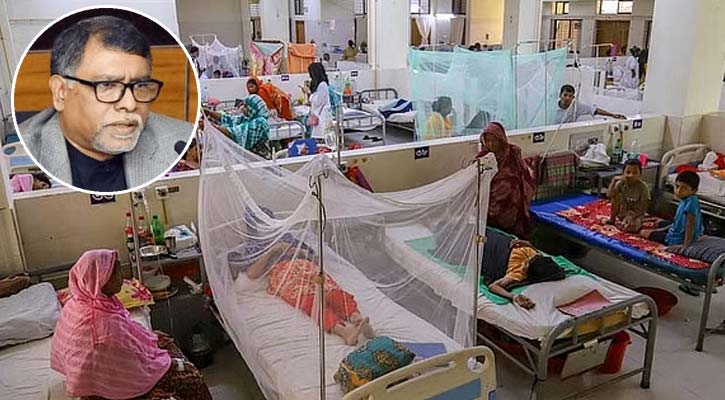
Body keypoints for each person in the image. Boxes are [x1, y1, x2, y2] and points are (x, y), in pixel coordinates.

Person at [18, 16, 193, 193]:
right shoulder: (23, 152)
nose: (130, 104)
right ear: (61, 92)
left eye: (140, 85)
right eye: (107, 85)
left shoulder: (180, 142)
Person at [51, 250, 212, 399]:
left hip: (92, 373)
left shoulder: (78, 303)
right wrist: (173, 364)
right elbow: (134, 365)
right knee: (192, 380)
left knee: (159, 338)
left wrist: (148, 339)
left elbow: (124, 334)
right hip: (106, 388)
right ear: (100, 279)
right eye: (116, 273)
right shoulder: (104, 325)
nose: (122, 277)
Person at [232, 236, 374, 346]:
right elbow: (252, 274)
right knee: (312, 303)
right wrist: (273, 250)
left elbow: (315, 258)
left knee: (335, 293)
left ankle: (356, 318)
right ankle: (344, 332)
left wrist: (297, 251)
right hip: (285, 274)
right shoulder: (253, 247)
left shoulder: (288, 237)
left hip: (307, 267)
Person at [478, 122, 536, 238]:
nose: (490, 144)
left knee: (512, 236)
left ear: (501, 139)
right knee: (495, 234)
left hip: (512, 202)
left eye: (494, 140)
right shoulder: (483, 157)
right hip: (492, 203)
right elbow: (478, 180)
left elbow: (523, 173)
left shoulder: (513, 153)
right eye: (487, 140)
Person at [487, 240, 565, 309]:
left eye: (528, 263)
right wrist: (526, 243)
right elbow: (493, 286)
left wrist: (514, 297)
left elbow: (493, 286)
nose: (527, 260)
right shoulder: (536, 256)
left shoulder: (517, 273)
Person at [640, 171, 704, 249]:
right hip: (677, 229)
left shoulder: (690, 203)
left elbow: (690, 225)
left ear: (694, 190)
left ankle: (669, 238)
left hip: (676, 239)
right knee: (658, 222)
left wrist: (685, 245)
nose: (679, 191)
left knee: (643, 232)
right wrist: (661, 230)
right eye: (677, 186)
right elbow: (677, 222)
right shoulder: (687, 199)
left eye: (684, 188)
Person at [203, 95, 271, 158]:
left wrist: (209, 126)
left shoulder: (260, 123)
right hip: (249, 159)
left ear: (252, 109)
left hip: (260, 160)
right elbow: (228, 119)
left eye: (245, 106)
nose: (242, 107)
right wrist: (209, 112)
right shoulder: (248, 118)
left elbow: (234, 133)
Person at [607, 159, 650, 233]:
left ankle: (625, 223)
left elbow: (642, 208)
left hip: (636, 214)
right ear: (623, 173)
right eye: (628, 172)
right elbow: (609, 195)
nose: (631, 175)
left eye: (635, 173)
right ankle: (612, 219)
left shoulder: (643, 187)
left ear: (640, 174)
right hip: (623, 212)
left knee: (631, 228)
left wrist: (632, 217)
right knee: (615, 196)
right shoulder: (620, 183)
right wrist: (614, 180)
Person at [554, 84, 627, 124]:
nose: (567, 98)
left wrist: (612, 115)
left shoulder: (576, 107)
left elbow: (594, 110)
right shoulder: (552, 106)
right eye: (565, 95)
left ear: (573, 98)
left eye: (570, 96)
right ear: (560, 95)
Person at [305, 62, 333, 139]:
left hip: (322, 117)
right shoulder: (320, 85)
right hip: (320, 116)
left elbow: (318, 101)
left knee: (323, 137)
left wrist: (309, 94)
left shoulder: (322, 85)